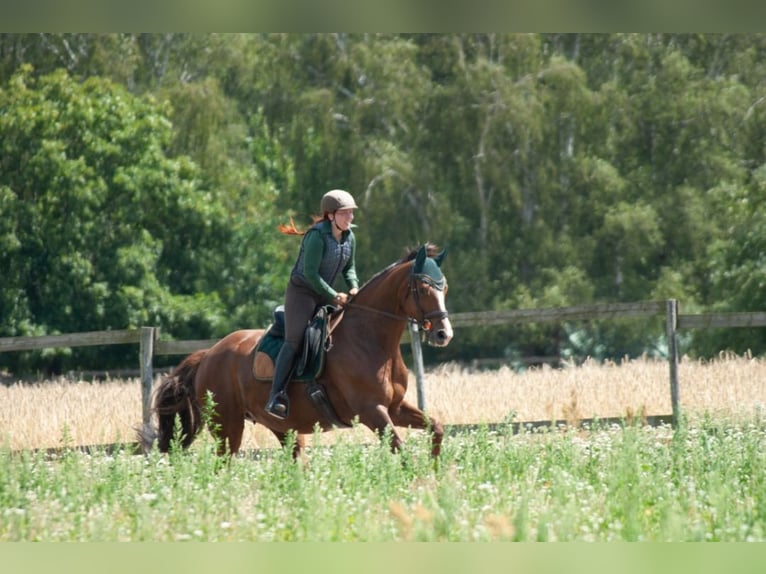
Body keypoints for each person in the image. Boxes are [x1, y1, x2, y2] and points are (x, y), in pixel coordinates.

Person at [265, 189, 360, 419]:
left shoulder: (349, 236)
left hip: (327, 293)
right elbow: (310, 273)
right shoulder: (316, 236)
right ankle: (276, 395)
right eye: (345, 213)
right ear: (331, 216)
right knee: (295, 340)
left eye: (351, 213)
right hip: (303, 292)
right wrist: (334, 295)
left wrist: (354, 286)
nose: (351, 218)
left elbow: (349, 268)